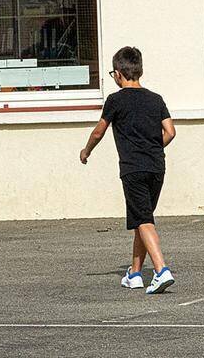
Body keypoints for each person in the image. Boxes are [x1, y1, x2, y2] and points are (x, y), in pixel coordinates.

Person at [79, 46, 176, 295]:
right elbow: (171, 132)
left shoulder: (115, 100)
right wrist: (153, 147)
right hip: (157, 166)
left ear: (119, 74)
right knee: (140, 218)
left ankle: (161, 270)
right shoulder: (156, 99)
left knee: (143, 219)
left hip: (133, 168)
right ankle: (134, 273)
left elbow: (99, 130)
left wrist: (86, 150)